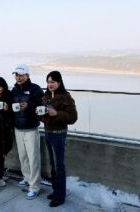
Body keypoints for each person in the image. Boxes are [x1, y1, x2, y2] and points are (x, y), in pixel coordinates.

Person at [39, 71, 77, 207]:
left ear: (59, 83)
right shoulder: (46, 96)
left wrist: (57, 114)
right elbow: (44, 117)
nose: (50, 85)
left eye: (53, 82)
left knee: (59, 165)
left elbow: (73, 117)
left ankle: (60, 196)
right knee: (53, 165)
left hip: (59, 134)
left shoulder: (66, 97)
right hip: (48, 133)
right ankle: (56, 191)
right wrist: (40, 114)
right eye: (48, 82)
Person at [11, 64, 44, 200]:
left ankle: (35, 186)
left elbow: (43, 104)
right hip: (18, 128)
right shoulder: (13, 90)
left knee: (33, 159)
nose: (18, 77)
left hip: (31, 128)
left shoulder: (35, 89)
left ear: (27, 76)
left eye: (21, 75)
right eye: (16, 75)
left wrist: (30, 106)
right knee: (23, 157)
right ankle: (27, 177)